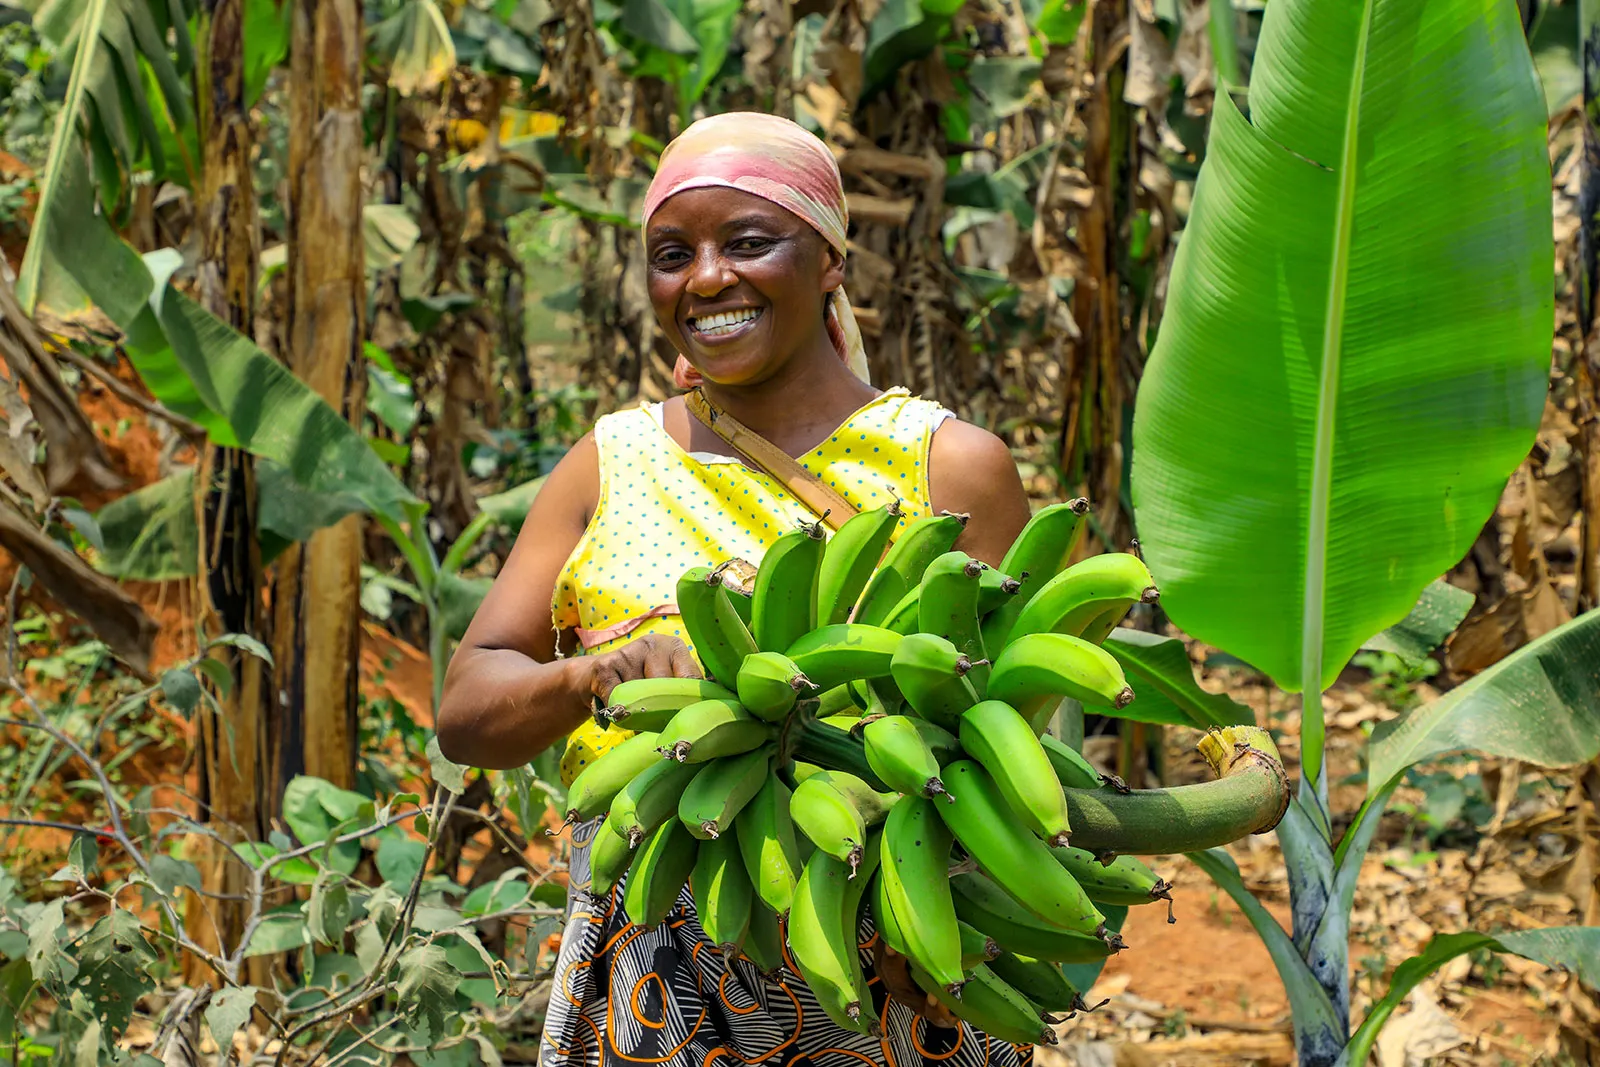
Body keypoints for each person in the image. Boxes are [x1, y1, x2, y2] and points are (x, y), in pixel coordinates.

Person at [437, 111, 1035, 1066]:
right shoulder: (610, 462)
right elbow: (466, 707)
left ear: (831, 260)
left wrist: (973, 923)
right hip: (656, 972)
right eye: (673, 254)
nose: (706, 278)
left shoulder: (948, 469)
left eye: (749, 243)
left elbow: (1020, 748)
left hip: (892, 960)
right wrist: (593, 673)